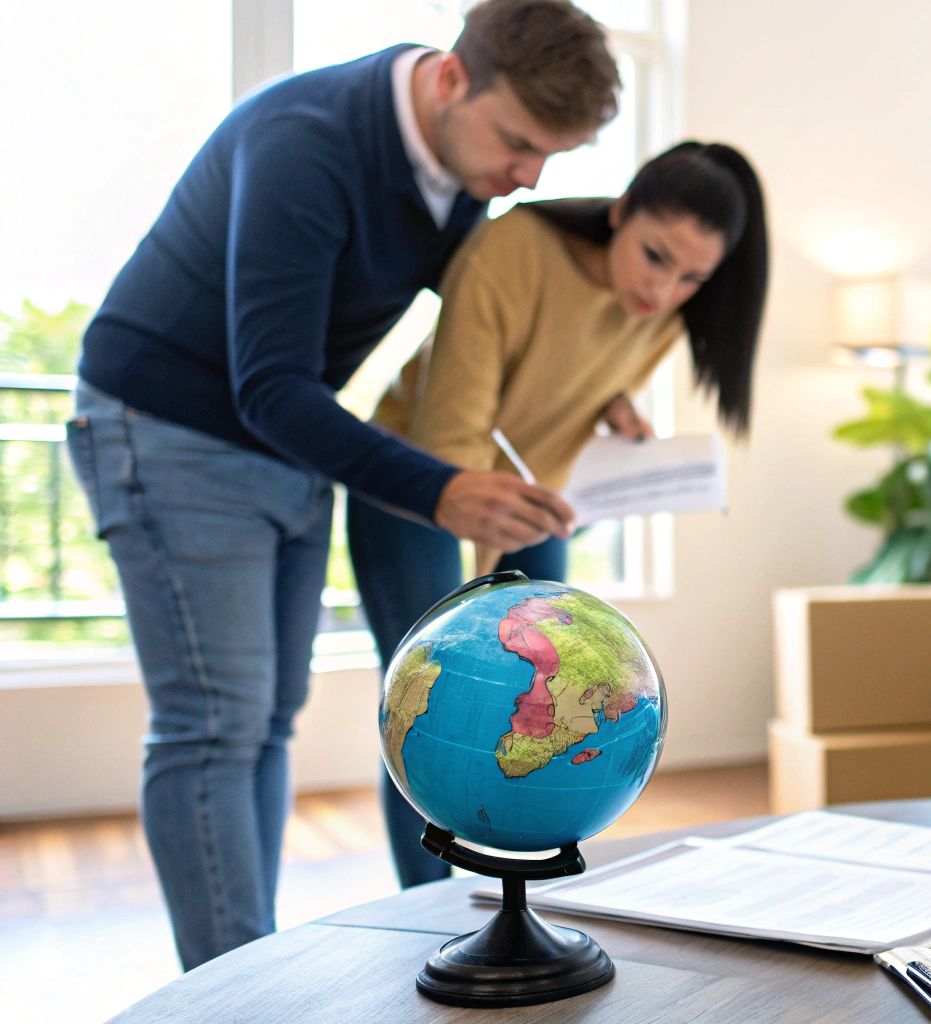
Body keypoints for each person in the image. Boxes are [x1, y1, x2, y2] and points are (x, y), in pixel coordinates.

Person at [65, 0, 619, 970]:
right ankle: (235, 990)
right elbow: (269, 380)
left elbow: (499, 314)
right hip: (166, 423)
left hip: (282, 437)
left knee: (268, 715)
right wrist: (442, 491)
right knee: (215, 721)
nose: (527, 178)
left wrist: (595, 386)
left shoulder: (459, 172)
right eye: (521, 143)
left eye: (549, 160)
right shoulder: (305, 143)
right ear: (452, 79)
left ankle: (245, 964)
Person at [349, 141, 768, 887]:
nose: (664, 289)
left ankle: (515, 891)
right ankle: (427, 909)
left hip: (532, 495)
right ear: (618, 214)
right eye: (654, 256)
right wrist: (484, 562)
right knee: (427, 699)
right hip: (415, 483)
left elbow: (576, 363)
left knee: (564, 690)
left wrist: (614, 407)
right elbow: (453, 437)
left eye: (692, 277)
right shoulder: (511, 249)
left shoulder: (666, 314)